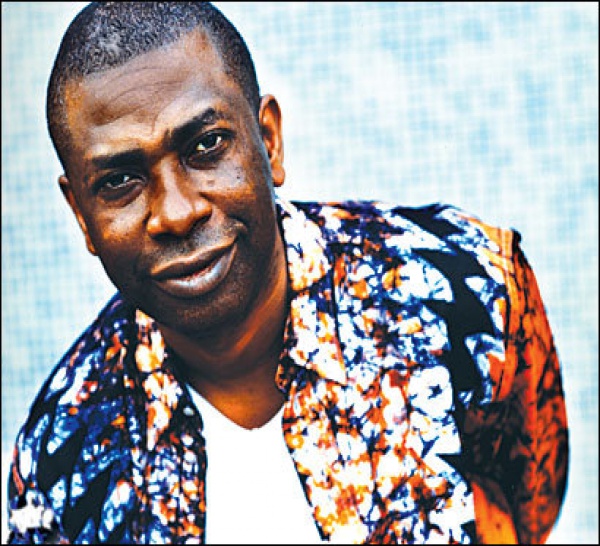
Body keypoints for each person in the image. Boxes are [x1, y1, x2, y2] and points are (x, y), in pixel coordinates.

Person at [6, 2, 569, 544]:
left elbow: (528, 499)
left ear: (268, 141)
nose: (176, 213)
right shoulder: (60, 458)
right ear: (81, 214)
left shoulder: (467, 289)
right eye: (119, 182)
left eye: (206, 145)